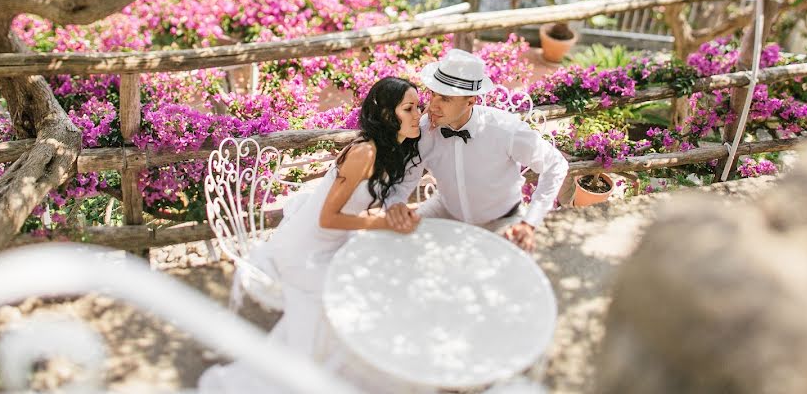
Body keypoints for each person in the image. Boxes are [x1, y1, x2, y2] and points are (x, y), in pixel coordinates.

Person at [199, 77, 422, 393]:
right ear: (387, 114)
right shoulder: (364, 153)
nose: (418, 115)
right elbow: (327, 218)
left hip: (333, 246)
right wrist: (382, 223)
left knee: (376, 283)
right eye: (409, 108)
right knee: (349, 302)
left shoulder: (391, 151)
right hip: (304, 253)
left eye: (419, 107)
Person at [385, 49, 569, 252]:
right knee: (398, 246)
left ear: (470, 101)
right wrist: (395, 204)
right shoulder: (422, 130)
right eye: (433, 94)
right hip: (445, 210)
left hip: (502, 218)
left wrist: (530, 222)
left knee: (509, 272)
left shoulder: (505, 130)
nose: (433, 106)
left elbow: (556, 165)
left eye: (445, 99)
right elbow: (401, 183)